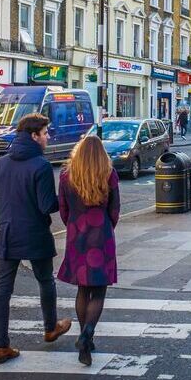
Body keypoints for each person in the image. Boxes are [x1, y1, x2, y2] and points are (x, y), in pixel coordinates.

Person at [0, 113, 72, 364]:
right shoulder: (41, 165)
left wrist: (7, 218)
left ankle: (1, 346)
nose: (48, 137)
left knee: (3, 289)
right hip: (35, 233)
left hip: (9, 233)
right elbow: (46, 206)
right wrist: (65, 197)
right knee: (45, 280)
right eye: (45, 133)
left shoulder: (2, 163)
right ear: (34, 136)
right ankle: (50, 327)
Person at [57, 135, 121, 366]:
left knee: (83, 290)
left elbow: (62, 209)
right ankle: (87, 335)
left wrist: (73, 224)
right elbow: (115, 209)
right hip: (101, 234)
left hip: (77, 233)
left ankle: (84, 335)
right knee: (99, 292)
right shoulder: (108, 173)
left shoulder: (67, 175)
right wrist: (107, 227)